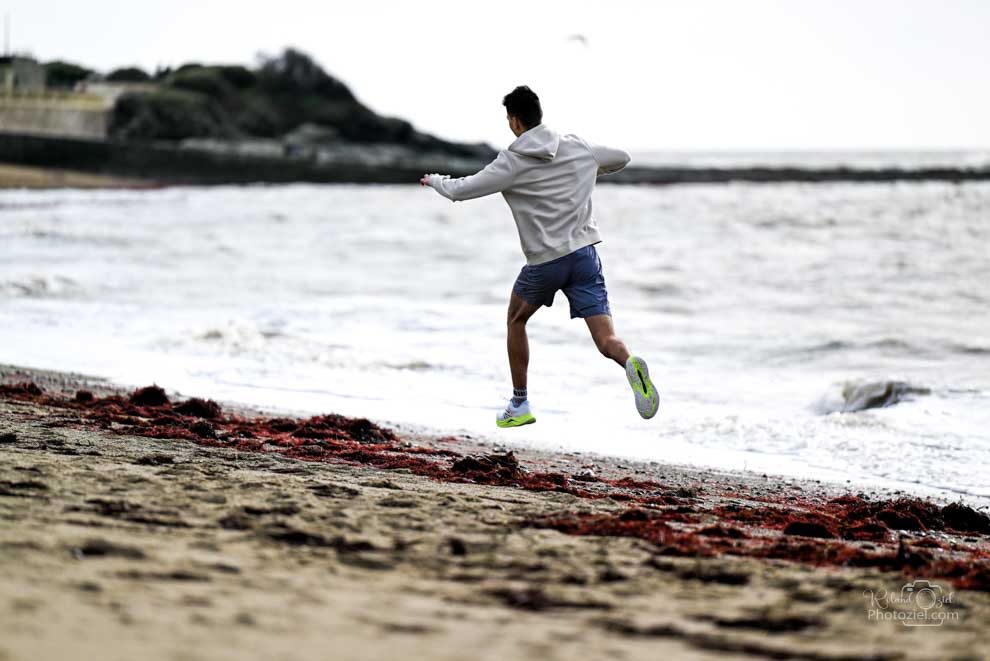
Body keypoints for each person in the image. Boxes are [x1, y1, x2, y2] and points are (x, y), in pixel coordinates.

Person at [420, 85, 659, 428]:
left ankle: (520, 404)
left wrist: (436, 181)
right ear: (539, 116)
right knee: (606, 339)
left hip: (546, 262)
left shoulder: (512, 161)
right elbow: (622, 157)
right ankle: (630, 361)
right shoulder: (576, 147)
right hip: (585, 257)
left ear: (515, 122)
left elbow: (462, 190)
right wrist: (588, 170)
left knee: (516, 320)